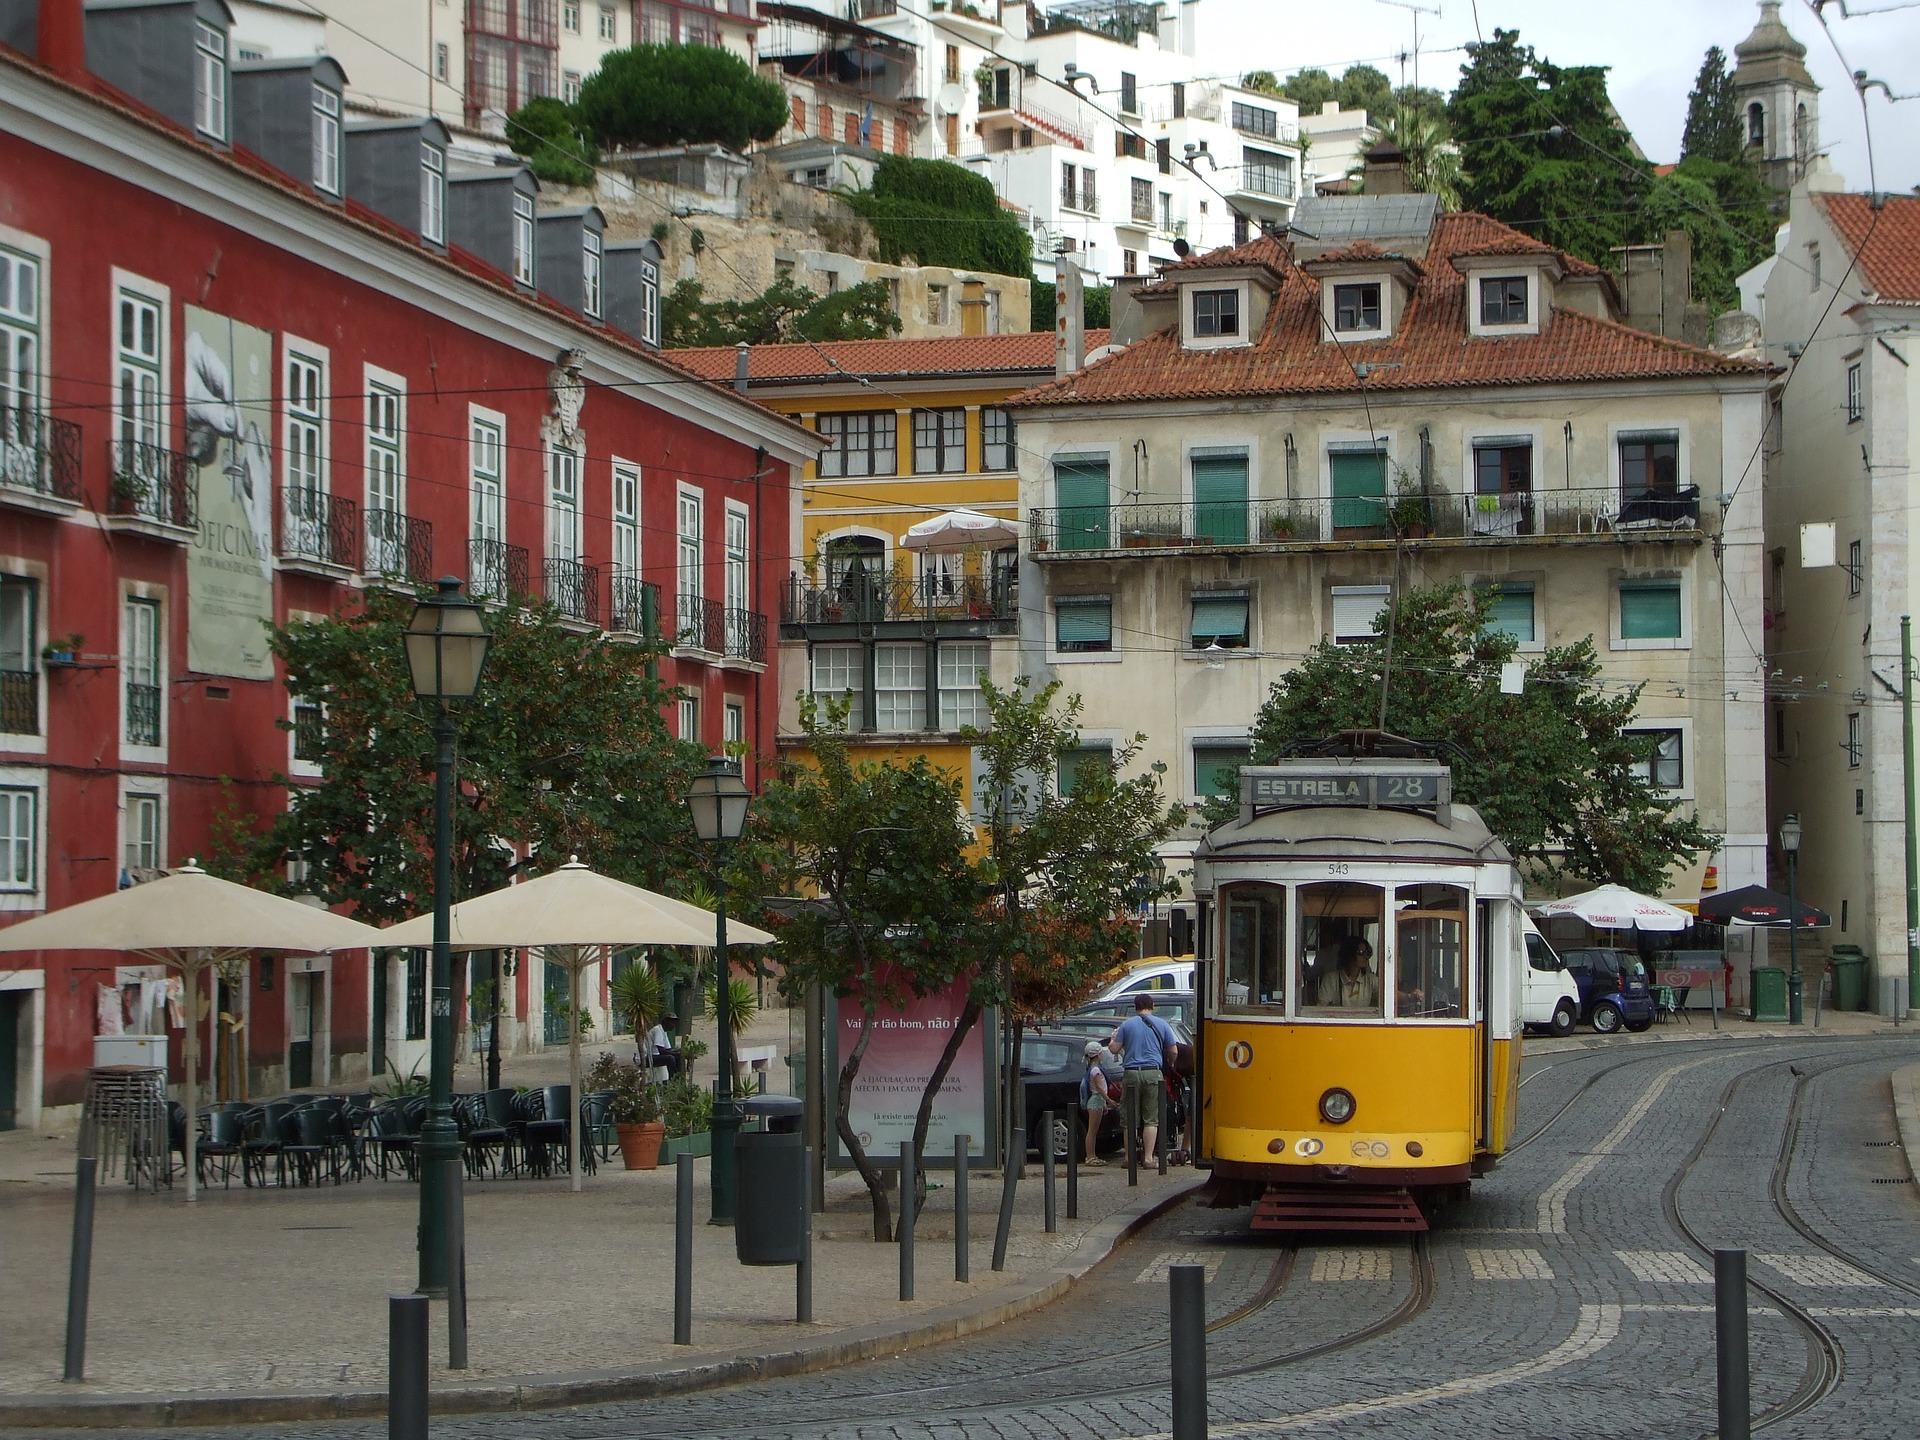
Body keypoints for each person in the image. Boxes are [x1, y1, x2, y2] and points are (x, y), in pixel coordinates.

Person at [1115, 994, 1177, 1164]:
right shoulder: (1162, 1024)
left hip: (1131, 1072)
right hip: (1153, 1073)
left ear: (1135, 1007)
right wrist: (1169, 1063)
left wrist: (1114, 1040)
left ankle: (1129, 1158)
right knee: (1151, 1119)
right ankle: (1149, 1158)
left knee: (1129, 1119)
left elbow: (1114, 1049)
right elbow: (1173, 1051)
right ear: (1153, 1005)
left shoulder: (1126, 1025)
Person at [1314, 937, 1379, 1009]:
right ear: (1349, 954)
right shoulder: (1330, 979)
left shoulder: (1371, 980)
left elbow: (1387, 999)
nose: (1365, 957)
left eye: (1367, 953)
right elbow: (1320, 1008)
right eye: (1361, 952)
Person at [1079, 1040, 1113, 1166]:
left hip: (1097, 1101)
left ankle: (1092, 1155)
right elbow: (1099, 1088)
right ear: (1098, 1055)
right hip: (1096, 1100)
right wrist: (1109, 1100)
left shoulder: (1092, 1069)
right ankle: (1090, 1156)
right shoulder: (1096, 1071)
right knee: (1092, 1131)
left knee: (1093, 1130)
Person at [646, 1014, 679, 1078]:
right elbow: (662, 1051)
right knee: (670, 1058)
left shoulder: (664, 1031)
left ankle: (678, 1079)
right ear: (666, 1022)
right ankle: (671, 1080)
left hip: (654, 1056)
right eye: (672, 1022)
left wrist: (678, 1052)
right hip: (647, 1057)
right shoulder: (657, 1030)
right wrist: (676, 1053)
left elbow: (668, 1049)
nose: (674, 1025)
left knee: (678, 1057)